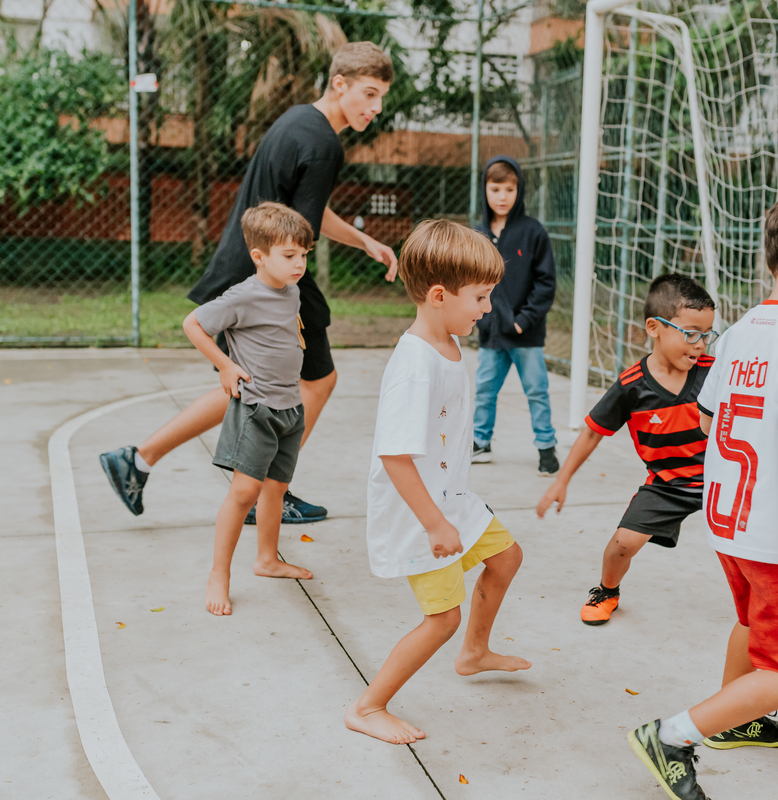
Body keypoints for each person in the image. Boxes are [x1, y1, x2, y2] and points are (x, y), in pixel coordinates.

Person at [626, 190, 778, 799]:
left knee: (750, 624)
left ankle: (736, 723)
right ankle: (674, 735)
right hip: (773, 534)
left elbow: (708, 419)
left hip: (725, 521)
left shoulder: (738, 331)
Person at [100, 42, 399, 525]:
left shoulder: (298, 120)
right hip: (271, 276)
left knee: (252, 385)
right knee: (316, 381)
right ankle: (267, 495)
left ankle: (137, 460)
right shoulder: (324, 144)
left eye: (381, 96)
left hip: (251, 263)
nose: (375, 107)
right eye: (369, 93)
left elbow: (306, 211)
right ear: (339, 84)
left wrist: (364, 241)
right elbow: (301, 231)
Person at [537, 273, 778, 647]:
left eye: (707, 334)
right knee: (622, 544)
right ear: (654, 328)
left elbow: (760, 414)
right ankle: (607, 590)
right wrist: (562, 480)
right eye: (691, 333)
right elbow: (593, 431)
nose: (700, 344)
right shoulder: (632, 385)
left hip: (723, 479)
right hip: (668, 485)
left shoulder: (713, 368)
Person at [345, 220, 530, 745]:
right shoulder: (415, 365)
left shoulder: (447, 342)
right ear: (439, 294)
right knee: (441, 617)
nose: (487, 308)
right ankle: (367, 705)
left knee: (507, 557)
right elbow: (395, 456)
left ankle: (474, 653)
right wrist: (434, 523)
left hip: (451, 498)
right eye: (480, 297)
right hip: (420, 511)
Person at [181, 202, 315, 616]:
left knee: (275, 488)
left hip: (290, 406)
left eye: (304, 255)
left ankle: (267, 559)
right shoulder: (244, 295)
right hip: (257, 408)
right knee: (244, 492)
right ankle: (219, 574)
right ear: (259, 256)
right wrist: (225, 365)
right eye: (289, 256)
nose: (299, 264)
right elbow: (193, 324)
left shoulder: (290, 290)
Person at [470, 156, 559, 475]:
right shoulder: (477, 234)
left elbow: (546, 282)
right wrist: (482, 320)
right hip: (492, 334)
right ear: (485, 190)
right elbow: (469, 282)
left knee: (537, 391)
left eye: (510, 189)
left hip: (526, 334)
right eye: (496, 189)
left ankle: (546, 449)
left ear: (519, 191)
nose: (503, 196)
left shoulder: (533, 231)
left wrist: (524, 320)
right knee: (484, 391)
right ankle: (481, 442)